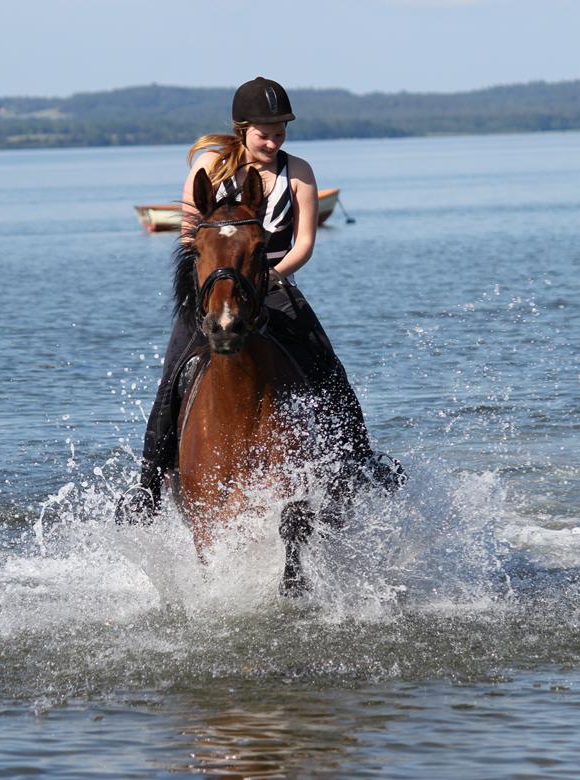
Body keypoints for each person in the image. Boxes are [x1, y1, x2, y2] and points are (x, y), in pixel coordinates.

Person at [116, 76, 404, 522]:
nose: (273, 140)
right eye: (264, 133)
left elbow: (303, 243)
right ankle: (148, 485)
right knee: (176, 372)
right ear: (242, 129)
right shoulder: (209, 169)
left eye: (280, 132)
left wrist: (269, 278)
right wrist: (218, 284)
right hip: (213, 289)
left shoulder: (299, 171)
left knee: (327, 367)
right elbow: (192, 237)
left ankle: (361, 461)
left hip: (272, 283)